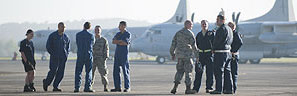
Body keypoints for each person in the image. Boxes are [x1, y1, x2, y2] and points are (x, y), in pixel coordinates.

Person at [169, 20, 199, 94]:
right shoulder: (190, 33)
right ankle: (188, 89)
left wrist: (172, 54)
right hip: (187, 56)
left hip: (179, 56)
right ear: (187, 25)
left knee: (179, 72)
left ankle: (174, 88)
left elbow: (173, 44)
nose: (192, 26)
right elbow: (194, 46)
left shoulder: (178, 33)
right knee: (188, 72)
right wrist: (197, 56)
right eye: (191, 25)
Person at [43, 22, 70, 92]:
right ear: (58, 27)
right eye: (62, 27)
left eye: (64, 27)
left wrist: (66, 54)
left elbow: (68, 47)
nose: (63, 28)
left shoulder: (66, 37)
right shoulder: (52, 36)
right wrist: (53, 54)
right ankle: (46, 83)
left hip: (62, 58)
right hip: (54, 58)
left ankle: (56, 86)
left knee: (61, 73)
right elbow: (48, 46)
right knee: (53, 71)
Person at [210, 15, 233, 94]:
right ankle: (229, 89)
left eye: (218, 20)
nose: (216, 21)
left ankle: (218, 89)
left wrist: (213, 48)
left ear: (222, 20)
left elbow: (218, 41)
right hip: (227, 52)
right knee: (227, 71)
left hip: (220, 52)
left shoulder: (221, 29)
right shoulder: (229, 29)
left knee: (218, 71)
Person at [192, 20, 214, 93]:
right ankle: (195, 88)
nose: (204, 25)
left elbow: (215, 43)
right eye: (203, 24)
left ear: (208, 25)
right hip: (201, 55)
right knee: (198, 72)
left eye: (205, 24)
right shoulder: (198, 35)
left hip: (209, 55)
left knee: (209, 72)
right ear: (201, 25)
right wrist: (197, 57)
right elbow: (196, 46)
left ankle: (209, 87)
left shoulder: (211, 34)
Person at [74, 22, 95, 92]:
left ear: (83, 26)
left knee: (78, 71)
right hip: (88, 55)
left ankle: (77, 87)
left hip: (80, 54)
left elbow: (77, 43)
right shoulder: (91, 35)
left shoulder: (78, 35)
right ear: (89, 27)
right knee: (88, 71)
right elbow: (92, 44)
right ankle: (87, 87)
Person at [111, 21, 131, 92]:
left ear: (124, 26)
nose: (118, 27)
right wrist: (120, 41)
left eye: (120, 26)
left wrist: (118, 41)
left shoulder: (127, 34)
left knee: (125, 71)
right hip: (117, 54)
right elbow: (113, 41)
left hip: (124, 55)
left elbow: (125, 43)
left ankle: (127, 87)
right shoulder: (118, 34)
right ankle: (117, 87)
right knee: (116, 71)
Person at [223, 22, 243, 93]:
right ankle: (226, 88)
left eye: (230, 26)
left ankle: (233, 88)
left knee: (233, 72)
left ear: (233, 27)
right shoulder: (229, 34)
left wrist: (233, 51)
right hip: (229, 55)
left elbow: (240, 43)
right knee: (227, 72)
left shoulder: (235, 34)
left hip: (233, 55)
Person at [91, 25, 110, 92]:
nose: (97, 31)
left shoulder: (103, 40)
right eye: (96, 30)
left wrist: (105, 57)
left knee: (103, 73)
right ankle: (89, 86)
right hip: (92, 59)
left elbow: (106, 49)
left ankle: (105, 86)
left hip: (101, 59)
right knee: (91, 73)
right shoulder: (91, 39)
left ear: (100, 31)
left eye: (98, 30)